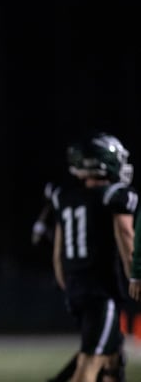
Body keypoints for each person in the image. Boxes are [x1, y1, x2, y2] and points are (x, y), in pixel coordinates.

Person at [51, 131, 136, 382]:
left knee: (111, 358)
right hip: (101, 292)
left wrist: (69, 286)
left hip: (77, 289)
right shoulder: (114, 196)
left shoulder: (65, 198)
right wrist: (136, 277)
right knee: (89, 364)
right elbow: (126, 235)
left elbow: (58, 253)